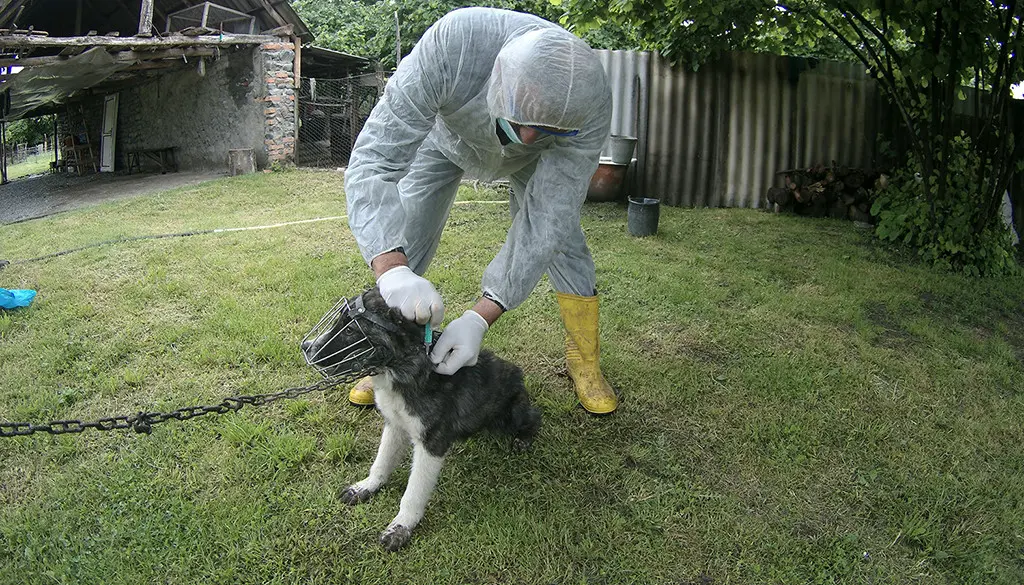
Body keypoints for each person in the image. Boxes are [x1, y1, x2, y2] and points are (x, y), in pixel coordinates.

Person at [344, 6, 617, 414]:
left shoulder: (589, 102)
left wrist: (479, 317)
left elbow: (548, 219)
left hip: (536, 166)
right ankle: (385, 354)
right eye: (522, 119)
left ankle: (586, 361)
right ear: (498, 78)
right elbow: (374, 161)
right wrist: (393, 269)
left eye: (546, 130)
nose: (526, 137)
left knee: (564, 242)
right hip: (447, 140)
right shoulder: (455, 45)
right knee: (410, 229)